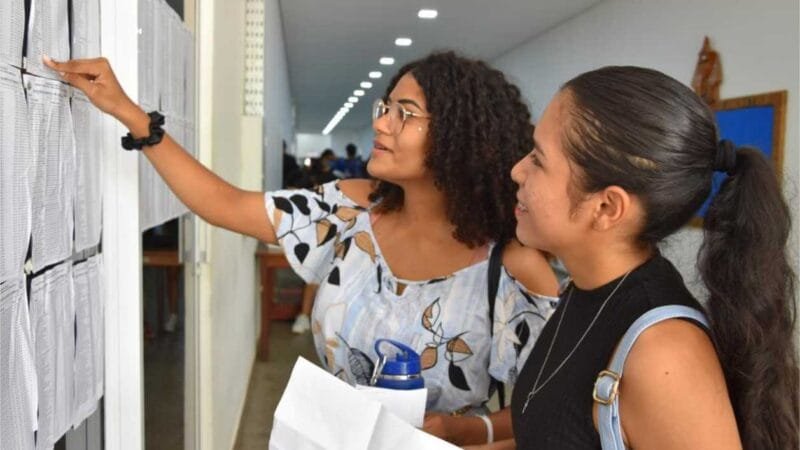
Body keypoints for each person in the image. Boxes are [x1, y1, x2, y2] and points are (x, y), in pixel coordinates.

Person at [43, 51, 560, 446]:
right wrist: (131, 116)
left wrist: (458, 431)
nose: (381, 123)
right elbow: (223, 203)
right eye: (387, 108)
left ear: (460, 138)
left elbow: (551, 413)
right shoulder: (350, 211)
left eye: (404, 114)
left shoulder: (511, 269)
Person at [496, 66, 797, 450]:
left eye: (538, 160)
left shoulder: (662, 353)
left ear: (606, 207)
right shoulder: (584, 289)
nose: (517, 170)